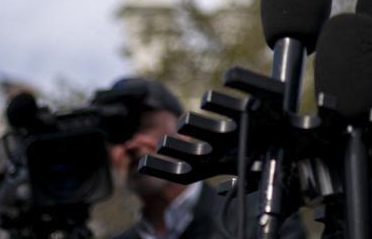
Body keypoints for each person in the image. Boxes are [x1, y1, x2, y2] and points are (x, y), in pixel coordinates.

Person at [108, 76, 307, 239]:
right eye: (117, 136)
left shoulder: (264, 215)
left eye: (143, 126)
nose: (130, 145)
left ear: (183, 129)